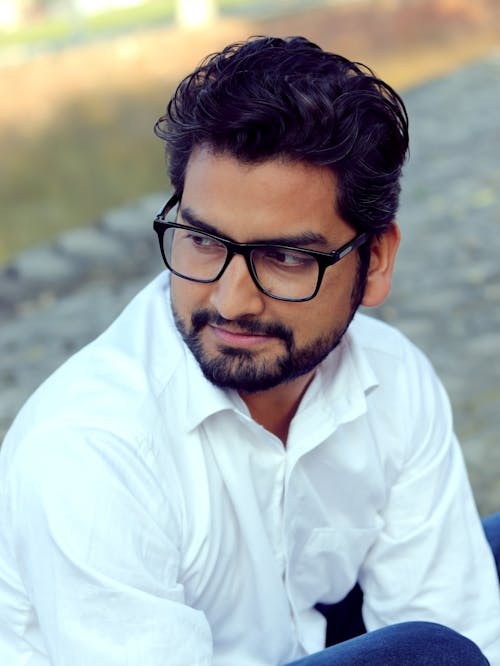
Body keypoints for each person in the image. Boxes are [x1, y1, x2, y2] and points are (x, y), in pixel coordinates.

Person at [0, 35, 499, 666]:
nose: (232, 301)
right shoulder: (89, 446)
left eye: (286, 256)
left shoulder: (393, 380)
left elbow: (459, 620)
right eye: (203, 241)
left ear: (375, 261)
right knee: (428, 655)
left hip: (297, 638)